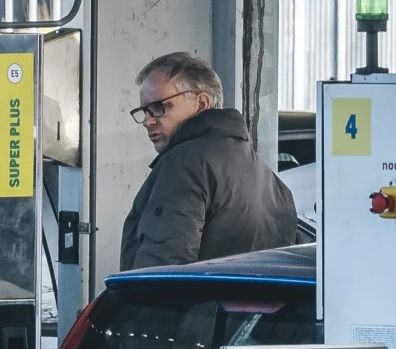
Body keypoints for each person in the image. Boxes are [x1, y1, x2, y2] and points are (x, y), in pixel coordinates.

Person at [119, 49, 301, 271]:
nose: (148, 121)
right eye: (144, 111)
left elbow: (161, 274)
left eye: (159, 107)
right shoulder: (272, 182)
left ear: (202, 103)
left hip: (189, 306)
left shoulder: (184, 164)